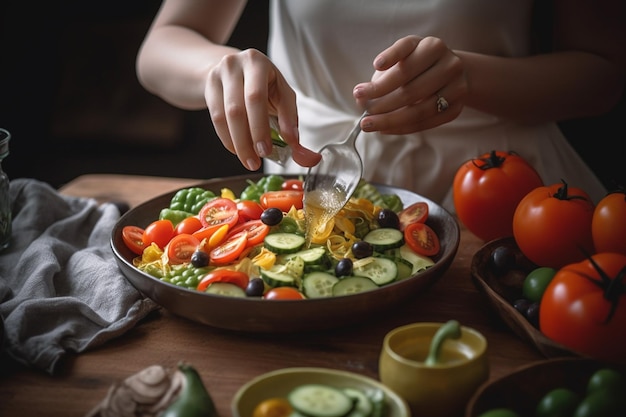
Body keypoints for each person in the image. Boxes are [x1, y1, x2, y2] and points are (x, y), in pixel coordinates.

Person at [135, 0, 625, 212]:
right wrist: (220, 68)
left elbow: (603, 77)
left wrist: (471, 78)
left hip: (505, 194)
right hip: (311, 181)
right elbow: (160, 48)